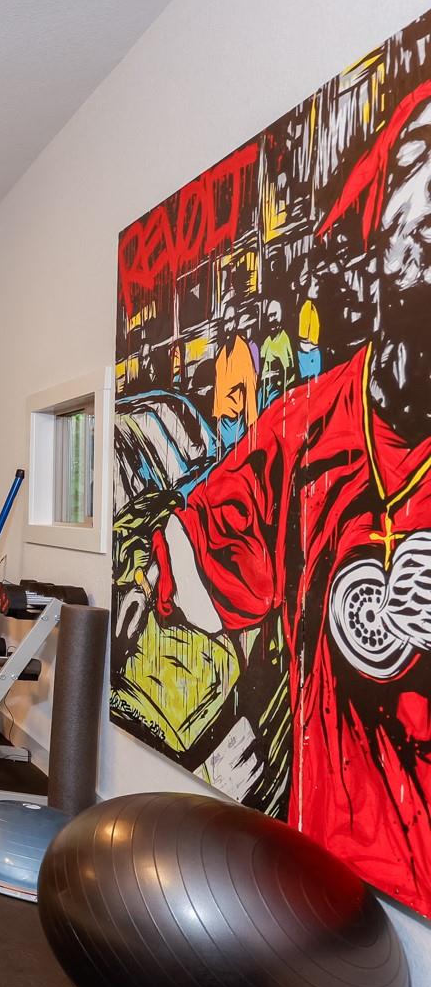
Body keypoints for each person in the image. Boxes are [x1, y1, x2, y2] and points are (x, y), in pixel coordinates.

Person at [123, 81, 431, 908]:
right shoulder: (305, 423)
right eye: (415, 158)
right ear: (375, 218)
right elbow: (187, 566)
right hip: (321, 850)